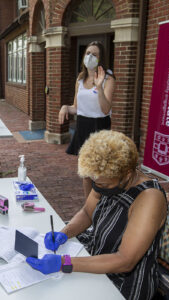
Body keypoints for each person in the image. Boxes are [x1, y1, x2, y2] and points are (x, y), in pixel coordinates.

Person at [26, 130, 167, 300]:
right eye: (94, 182)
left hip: (123, 281)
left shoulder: (149, 198)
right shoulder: (106, 179)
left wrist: (63, 263)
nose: (96, 187)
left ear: (127, 174)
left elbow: (125, 261)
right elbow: (87, 213)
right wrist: (65, 232)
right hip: (94, 255)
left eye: (103, 184)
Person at [58, 41, 115, 199]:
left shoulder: (108, 78)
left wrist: (99, 87)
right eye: (88, 53)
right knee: (85, 173)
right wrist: (65, 107)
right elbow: (76, 107)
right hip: (82, 125)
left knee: (99, 174)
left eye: (94, 54)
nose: (90, 56)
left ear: (101, 58)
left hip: (99, 127)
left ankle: (102, 206)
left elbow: (105, 109)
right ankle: (89, 210)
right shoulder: (80, 79)